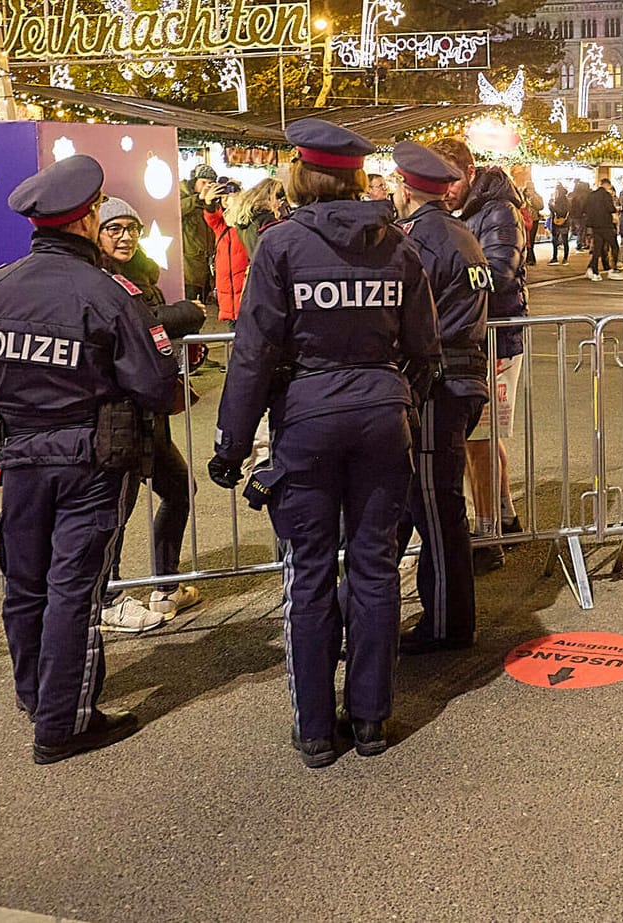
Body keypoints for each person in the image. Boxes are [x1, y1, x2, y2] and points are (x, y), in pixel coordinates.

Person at [209, 119, 441, 768]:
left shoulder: (280, 247)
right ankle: (370, 720)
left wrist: (231, 446)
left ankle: (315, 731)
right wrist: (400, 405)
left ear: (302, 175)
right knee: (373, 568)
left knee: (308, 573)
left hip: (307, 424)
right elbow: (425, 350)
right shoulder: (399, 247)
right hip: (380, 421)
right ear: (354, 176)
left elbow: (253, 354)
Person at [0, 155, 181, 763]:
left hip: (21, 454)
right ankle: (62, 724)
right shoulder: (108, 295)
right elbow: (154, 385)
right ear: (85, 219)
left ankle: (37, 696)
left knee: (25, 583)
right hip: (90, 458)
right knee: (74, 585)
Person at [392, 142, 491, 655]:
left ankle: (447, 624)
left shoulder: (421, 243)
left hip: (440, 384)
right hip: (461, 378)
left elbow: (413, 320)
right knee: (433, 502)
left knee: (435, 507)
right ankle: (443, 617)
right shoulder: (461, 234)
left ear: (407, 188)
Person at [94, 196, 207, 630]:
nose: (125, 236)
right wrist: (182, 316)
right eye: (114, 229)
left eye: (131, 228)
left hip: (150, 410)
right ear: (97, 234)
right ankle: (108, 597)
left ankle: (165, 585)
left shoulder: (142, 273)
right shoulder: (97, 278)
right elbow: (136, 325)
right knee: (115, 508)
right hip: (118, 413)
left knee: (179, 489)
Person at [438, 140, 530, 574]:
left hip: (495, 335)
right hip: (480, 335)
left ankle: (488, 531)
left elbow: (497, 273)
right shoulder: (476, 208)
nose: (447, 188)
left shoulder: (498, 210)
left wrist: (443, 287)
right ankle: (505, 518)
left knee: (477, 438)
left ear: (470, 171)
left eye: (451, 178)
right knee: (484, 436)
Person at [200, 179, 249, 327]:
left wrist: (240, 199)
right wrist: (208, 202)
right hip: (228, 302)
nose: (227, 199)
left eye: (231, 194)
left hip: (246, 298)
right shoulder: (221, 225)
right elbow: (211, 216)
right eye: (223, 197)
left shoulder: (246, 224)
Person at [180, 164, 217, 304]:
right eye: (203, 182)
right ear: (194, 181)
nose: (206, 186)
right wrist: (198, 199)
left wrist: (210, 202)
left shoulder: (210, 200)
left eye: (210, 183)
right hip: (189, 263)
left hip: (205, 261)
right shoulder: (181, 194)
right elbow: (175, 211)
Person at [586, 177, 623, 281]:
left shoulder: (591, 195)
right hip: (606, 225)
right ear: (607, 185)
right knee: (614, 246)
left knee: (597, 248)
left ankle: (594, 271)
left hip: (595, 225)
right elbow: (611, 209)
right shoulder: (606, 195)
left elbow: (586, 209)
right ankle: (614, 269)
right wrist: (616, 220)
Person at [547, 182, 571, 264]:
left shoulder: (562, 201)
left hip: (561, 223)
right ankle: (561, 258)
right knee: (559, 241)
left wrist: (551, 206)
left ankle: (560, 258)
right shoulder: (564, 200)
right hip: (562, 222)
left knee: (561, 241)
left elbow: (560, 211)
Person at [568, 179, 592, 253]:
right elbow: (583, 206)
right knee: (581, 230)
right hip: (581, 215)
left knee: (577, 230)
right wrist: (584, 212)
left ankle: (578, 243)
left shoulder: (573, 195)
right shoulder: (584, 196)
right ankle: (579, 244)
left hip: (574, 215)